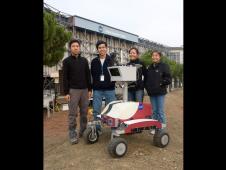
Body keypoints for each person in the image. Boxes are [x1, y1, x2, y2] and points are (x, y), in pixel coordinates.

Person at [63, 39, 92, 144]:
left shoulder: (84, 61)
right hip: (73, 91)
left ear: (79, 48)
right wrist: (66, 92)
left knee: (84, 112)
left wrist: (89, 89)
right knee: (72, 113)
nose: (75, 47)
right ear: (70, 48)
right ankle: (72, 133)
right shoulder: (66, 61)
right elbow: (64, 78)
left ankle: (83, 131)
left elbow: (88, 75)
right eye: (73, 46)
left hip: (84, 90)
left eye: (77, 46)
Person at [91, 40, 116, 133]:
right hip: (97, 89)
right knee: (96, 110)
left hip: (110, 89)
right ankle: (97, 129)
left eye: (103, 47)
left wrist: (111, 83)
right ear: (97, 49)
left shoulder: (111, 61)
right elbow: (92, 75)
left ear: (106, 48)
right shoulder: (94, 61)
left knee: (112, 109)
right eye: (100, 47)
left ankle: (113, 128)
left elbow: (115, 74)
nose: (102, 49)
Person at [144, 50, 171, 134]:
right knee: (154, 111)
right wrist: (148, 88)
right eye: (153, 55)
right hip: (152, 93)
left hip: (160, 92)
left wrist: (161, 83)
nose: (154, 57)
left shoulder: (164, 66)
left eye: (156, 55)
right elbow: (146, 79)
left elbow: (168, 78)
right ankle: (154, 127)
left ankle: (162, 128)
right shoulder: (149, 67)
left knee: (160, 111)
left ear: (159, 57)